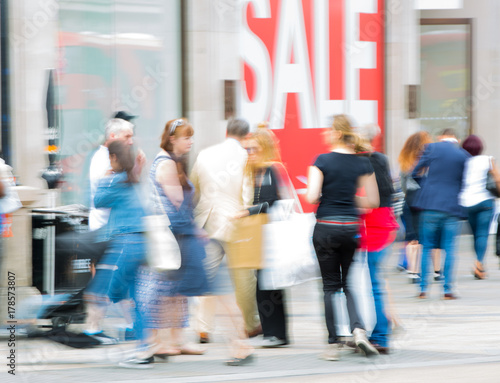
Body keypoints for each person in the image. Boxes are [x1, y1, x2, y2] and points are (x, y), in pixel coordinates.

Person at [126, 118, 209, 368]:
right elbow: (177, 205)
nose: (190, 142)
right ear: (173, 139)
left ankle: (173, 340)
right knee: (161, 289)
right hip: (171, 234)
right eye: (186, 137)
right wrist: (195, 230)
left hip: (176, 233)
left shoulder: (171, 161)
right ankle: (156, 342)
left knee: (176, 291)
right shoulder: (166, 164)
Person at [306, 114, 380, 361]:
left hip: (326, 227)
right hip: (351, 229)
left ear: (336, 133)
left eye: (327, 130)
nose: (324, 134)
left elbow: (311, 196)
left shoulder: (322, 160)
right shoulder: (363, 163)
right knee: (348, 284)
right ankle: (358, 331)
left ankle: (333, 343)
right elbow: (372, 201)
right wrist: (349, 199)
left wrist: (325, 194)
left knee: (329, 286)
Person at [190, 118, 255, 365]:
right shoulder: (245, 157)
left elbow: (194, 188)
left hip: (208, 223)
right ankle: (245, 331)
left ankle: (203, 329)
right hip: (235, 223)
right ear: (246, 135)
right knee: (242, 279)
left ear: (226, 132)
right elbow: (247, 194)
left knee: (208, 277)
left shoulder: (205, 154)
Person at [84, 116, 145, 344]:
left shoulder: (114, 158)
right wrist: (135, 171)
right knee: (110, 280)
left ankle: (124, 327)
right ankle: (95, 328)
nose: (131, 141)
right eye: (127, 136)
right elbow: (107, 196)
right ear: (113, 137)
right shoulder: (105, 160)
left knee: (120, 280)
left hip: (116, 232)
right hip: (106, 232)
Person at [92, 140, 148, 364]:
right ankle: (145, 346)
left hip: (127, 244)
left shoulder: (115, 180)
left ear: (114, 158)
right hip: (142, 244)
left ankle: (144, 346)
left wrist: (105, 177)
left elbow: (98, 201)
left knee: (111, 290)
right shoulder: (132, 180)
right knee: (136, 297)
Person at [236, 126, 292, 348]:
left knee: (272, 283)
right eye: (249, 149)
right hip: (256, 234)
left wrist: (248, 211)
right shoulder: (251, 172)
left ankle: (278, 333)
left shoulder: (272, 169)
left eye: (254, 149)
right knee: (261, 283)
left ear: (265, 149)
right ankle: (270, 331)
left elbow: (274, 202)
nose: (251, 153)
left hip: (272, 233)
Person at [355, 124, 399, 355]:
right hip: (385, 223)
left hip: (374, 227)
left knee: (372, 284)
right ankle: (378, 331)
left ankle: (381, 335)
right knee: (373, 283)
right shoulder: (381, 158)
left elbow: (367, 199)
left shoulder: (361, 162)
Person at [412, 128, 469, 300]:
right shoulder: (463, 155)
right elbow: (465, 182)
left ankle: (423, 288)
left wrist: (427, 185)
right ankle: (447, 289)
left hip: (430, 205)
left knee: (426, 246)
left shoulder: (431, 148)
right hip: (452, 206)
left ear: (441, 136)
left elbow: (415, 172)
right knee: (450, 248)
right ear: (456, 138)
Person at [459, 135, 500, 279]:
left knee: (475, 235)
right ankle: (479, 263)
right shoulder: (488, 159)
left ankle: (479, 264)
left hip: (467, 202)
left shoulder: (462, 161)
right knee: (483, 234)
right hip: (485, 202)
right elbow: (497, 178)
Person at [397, 131, 433, 283]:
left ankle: (412, 271)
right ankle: (422, 270)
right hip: (424, 201)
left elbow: (403, 185)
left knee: (410, 237)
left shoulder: (404, 160)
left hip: (408, 201)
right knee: (422, 237)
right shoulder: (427, 160)